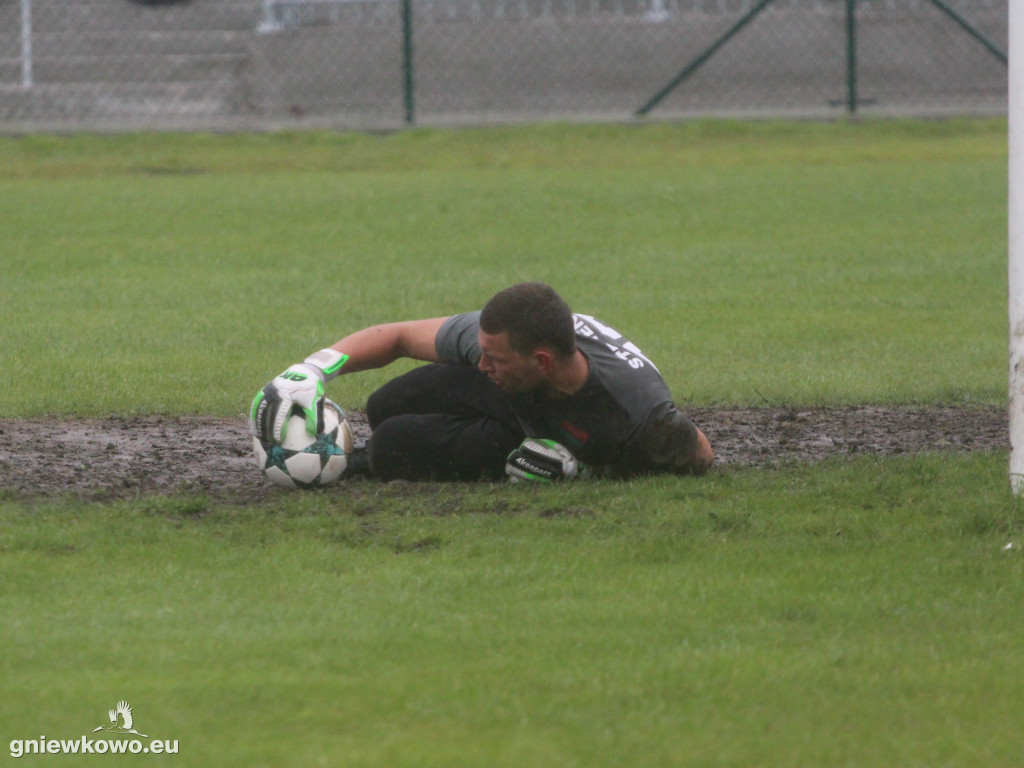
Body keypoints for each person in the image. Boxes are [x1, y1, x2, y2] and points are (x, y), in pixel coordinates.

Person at [251, 282, 713, 482]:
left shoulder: (636, 418)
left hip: (555, 422)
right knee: (385, 404)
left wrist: (580, 469)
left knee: (393, 444)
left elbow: (702, 454)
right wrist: (314, 368)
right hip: (532, 397)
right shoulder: (503, 341)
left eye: (493, 358)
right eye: (481, 351)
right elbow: (397, 337)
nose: (480, 364)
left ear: (542, 361)